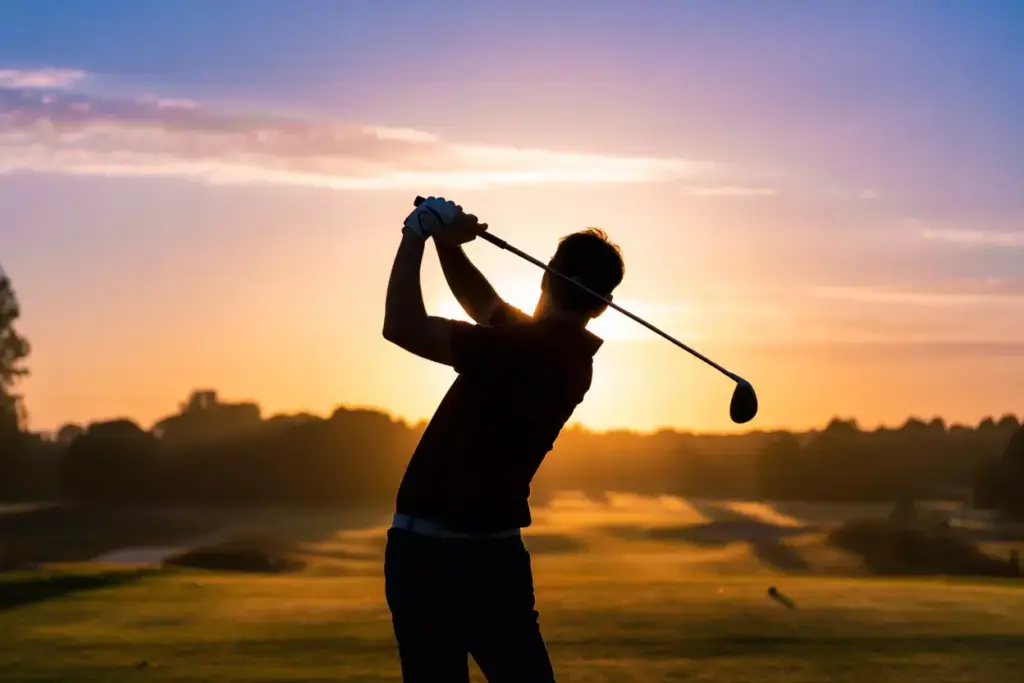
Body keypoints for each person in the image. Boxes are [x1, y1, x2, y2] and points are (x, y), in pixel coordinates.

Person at [381, 197, 625, 682]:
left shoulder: (525, 347)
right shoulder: (569, 355)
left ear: (546, 275)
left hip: (427, 558)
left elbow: (401, 327)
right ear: (602, 305)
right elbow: (486, 307)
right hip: (495, 560)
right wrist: (448, 244)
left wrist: (416, 233)